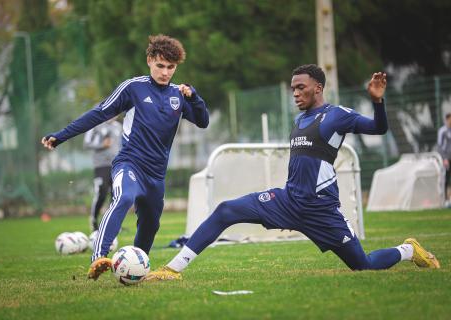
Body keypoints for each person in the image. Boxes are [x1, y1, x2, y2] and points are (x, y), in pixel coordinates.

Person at [146, 64, 440, 281]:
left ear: (318, 88)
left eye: (301, 87)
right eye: (293, 89)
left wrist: (377, 101)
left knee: (363, 265)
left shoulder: (337, 115)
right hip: (287, 201)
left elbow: (379, 128)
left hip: (321, 210)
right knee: (225, 211)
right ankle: (173, 269)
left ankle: (407, 250)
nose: (296, 93)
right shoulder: (300, 120)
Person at [41, 34, 209, 280]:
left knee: (151, 223)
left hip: (156, 174)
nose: (165, 72)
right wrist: (61, 136)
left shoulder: (178, 95)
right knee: (124, 196)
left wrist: (194, 97)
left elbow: (203, 121)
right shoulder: (133, 88)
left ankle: (134, 269)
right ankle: (98, 257)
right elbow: (98, 113)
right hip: (129, 163)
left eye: (170, 67)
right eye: (160, 65)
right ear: (150, 60)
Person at [83, 117, 122, 232]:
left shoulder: (118, 126)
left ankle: (112, 224)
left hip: (117, 165)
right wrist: (101, 144)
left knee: (116, 194)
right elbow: (86, 143)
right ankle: (94, 220)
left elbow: (122, 144)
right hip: (101, 165)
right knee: (102, 192)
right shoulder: (96, 125)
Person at [437, 113, 451, 202]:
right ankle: (445, 199)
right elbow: (440, 146)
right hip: (447, 159)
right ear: (447, 119)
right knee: (446, 178)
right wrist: (444, 158)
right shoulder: (443, 131)